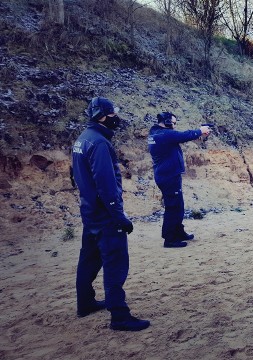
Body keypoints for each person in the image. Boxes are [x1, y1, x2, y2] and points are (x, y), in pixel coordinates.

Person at [72, 96, 151, 331]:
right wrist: (119, 217)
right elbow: (106, 185)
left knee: (88, 260)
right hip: (105, 215)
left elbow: (78, 176)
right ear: (103, 116)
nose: (117, 117)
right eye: (113, 113)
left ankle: (85, 303)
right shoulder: (99, 143)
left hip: (90, 212)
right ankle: (119, 316)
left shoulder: (83, 139)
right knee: (115, 263)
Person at [147, 112, 211, 248]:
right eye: (174, 123)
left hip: (168, 175)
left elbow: (180, 138)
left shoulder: (157, 134)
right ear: (167, 122)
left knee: (178, 206)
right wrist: (200, 130)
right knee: (173, 208)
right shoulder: (164, 134)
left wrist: (200, 134)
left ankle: (178, 232)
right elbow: (183, 136)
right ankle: (169, 239)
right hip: (168, 176)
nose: (175, 126)